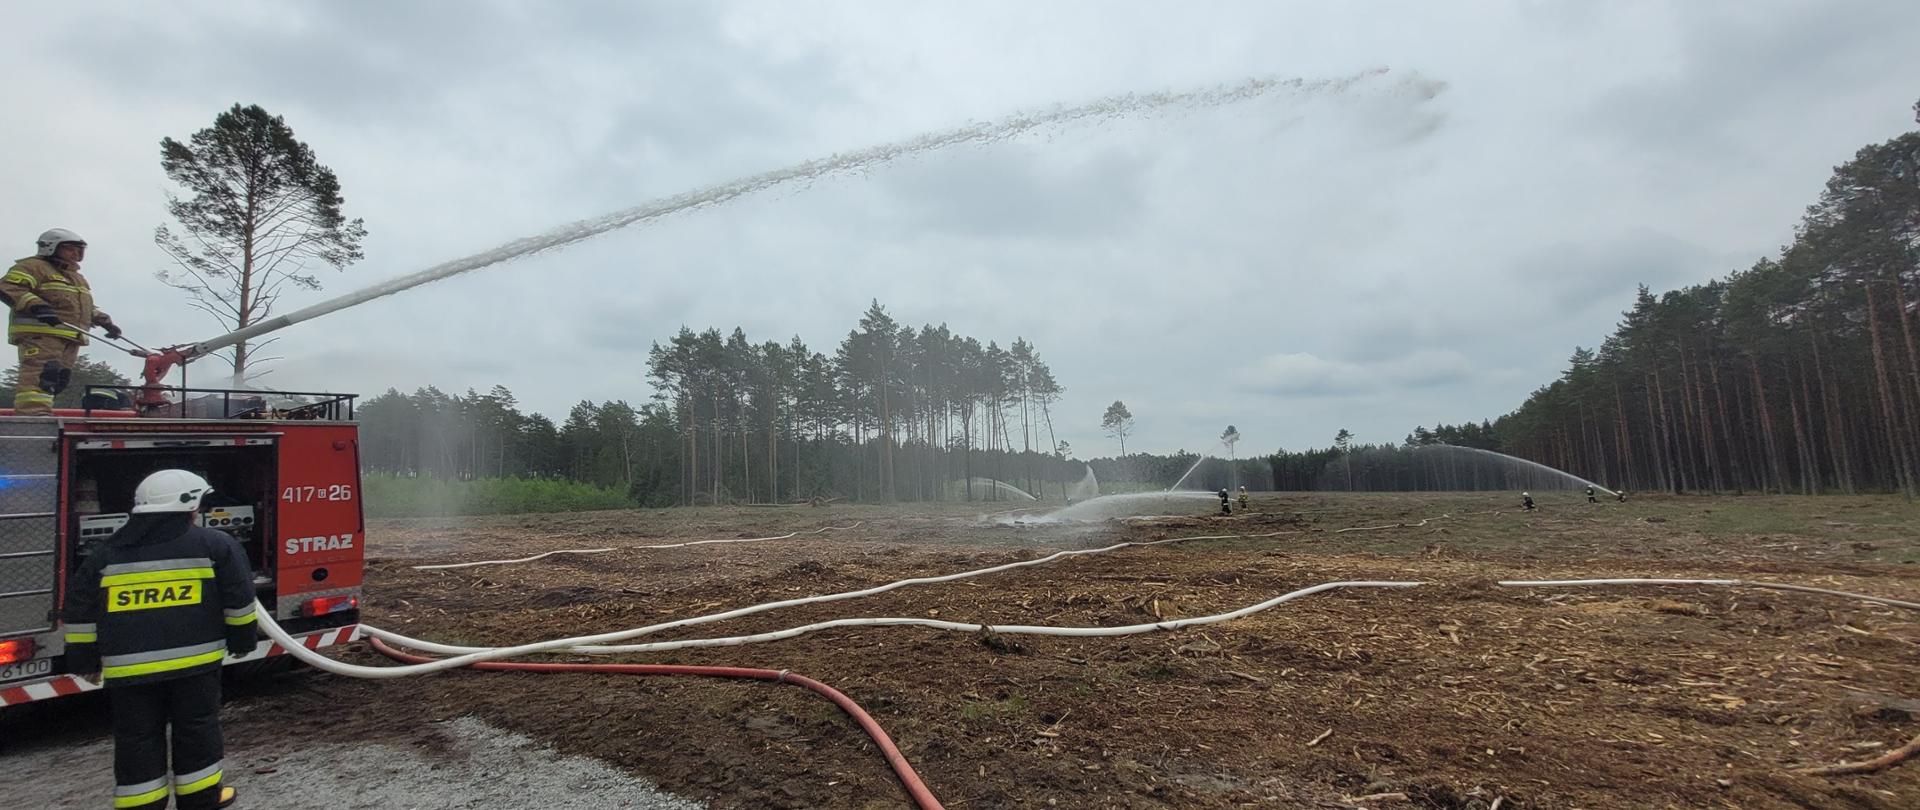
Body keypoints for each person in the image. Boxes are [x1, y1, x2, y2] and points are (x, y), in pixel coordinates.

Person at [61, 470, 253, 810]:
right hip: (195, 664)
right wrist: (242, 640)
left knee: (136, 738)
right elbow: (239, 599)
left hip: (128, 671)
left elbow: (79, 609)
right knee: (197, 730)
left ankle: (140, 803)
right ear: (189, 505)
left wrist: (83, 659)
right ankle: (202, 799)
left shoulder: (106, 553)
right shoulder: (214, 545)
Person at [1, 229, 120, 414]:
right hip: (41, 334)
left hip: (70, 336)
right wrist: (37, 306)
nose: (76, 254)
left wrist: (106, 322)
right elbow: (8, 287)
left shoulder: (76, 277)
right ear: (50, 247)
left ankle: (42, 410)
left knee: (59, 379)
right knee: (41, 375)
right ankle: (32, 416)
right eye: (70, 249)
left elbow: (82, 307)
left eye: (80, 250)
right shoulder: (32, 267)